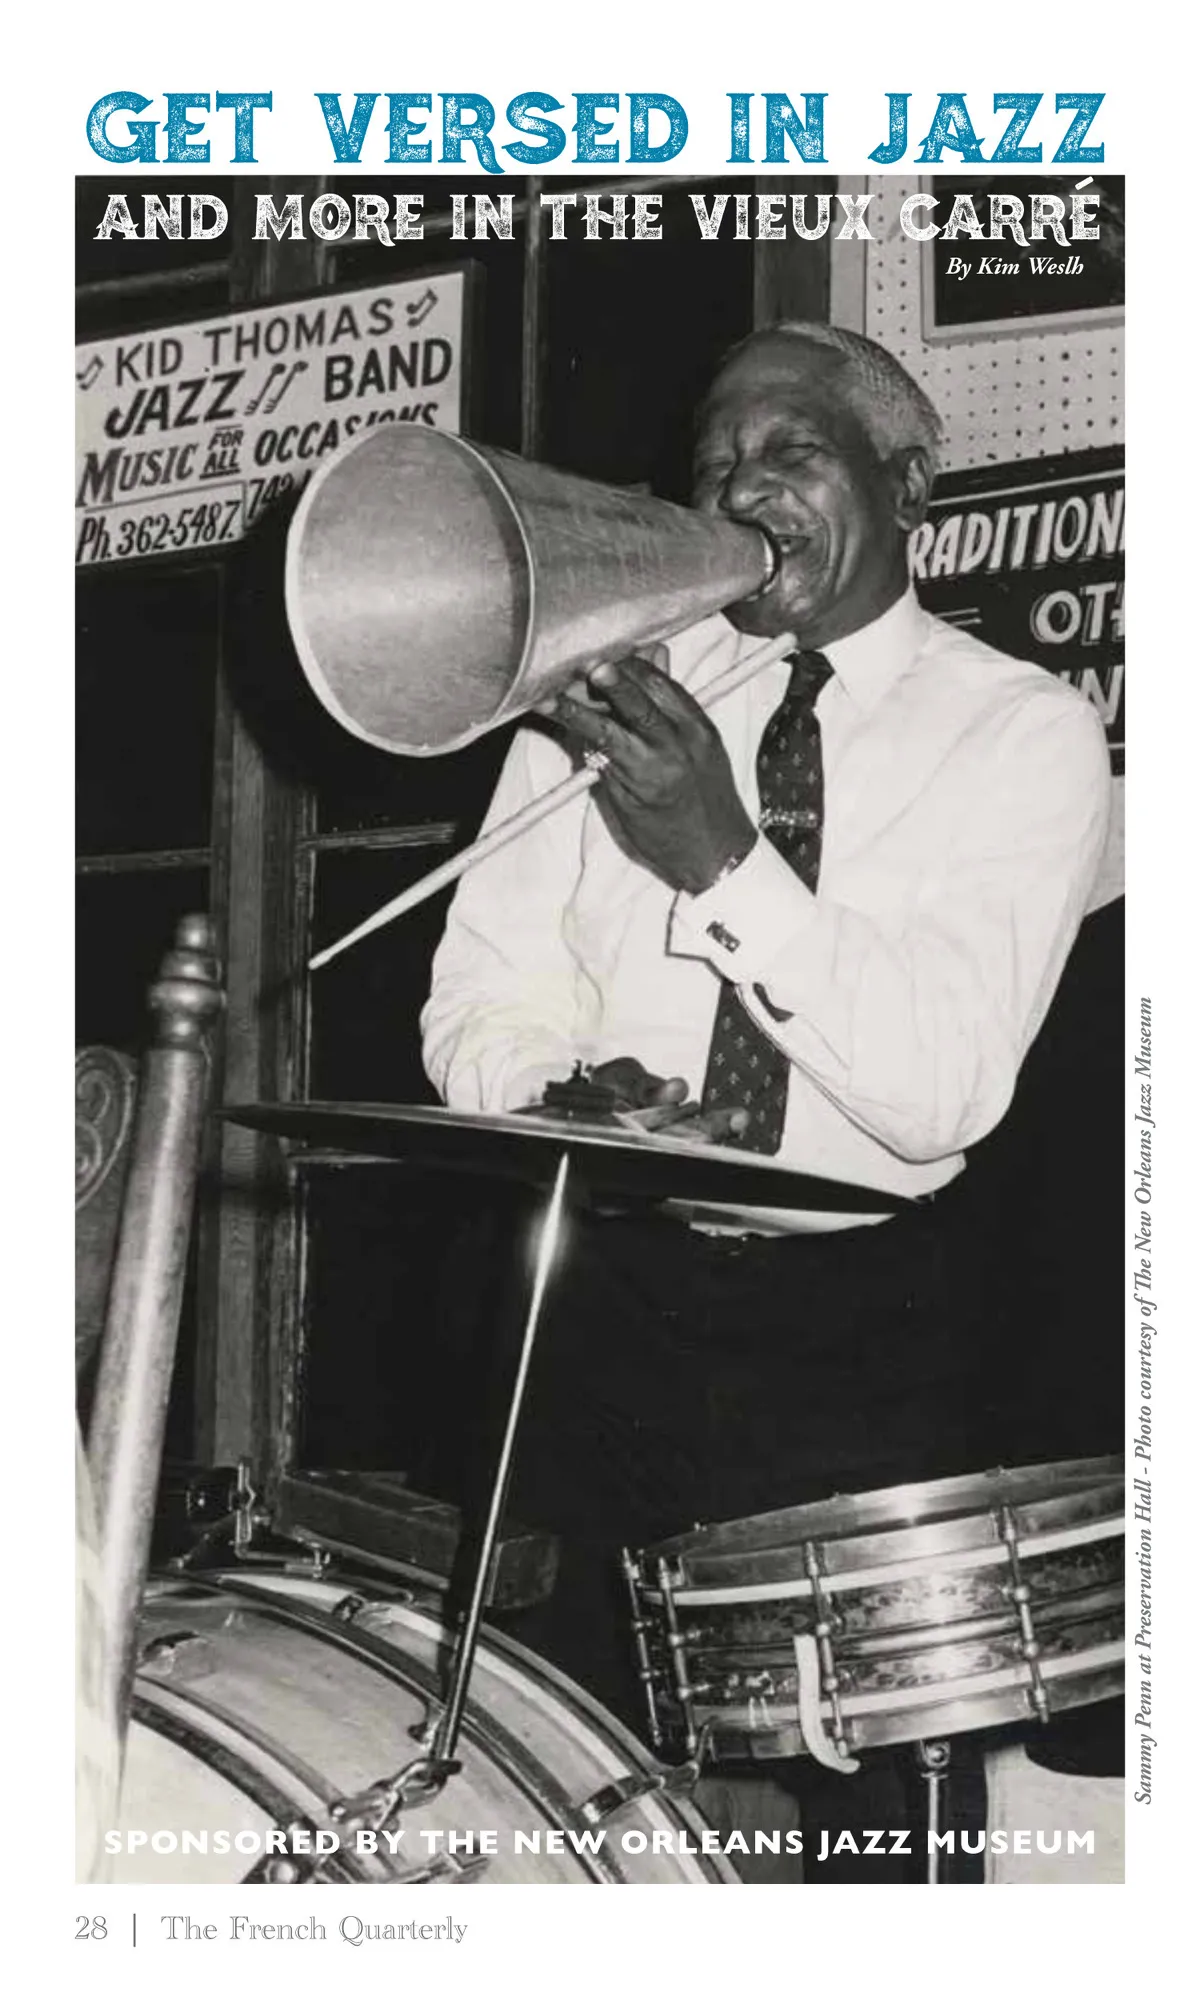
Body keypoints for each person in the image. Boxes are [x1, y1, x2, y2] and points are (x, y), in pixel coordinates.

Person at [420, 321, 1111, 1879]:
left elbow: (940, 1090)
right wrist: (559, 1094)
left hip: (866, 1334)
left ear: (907, 484)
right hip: (591, 1303)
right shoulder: (613, 690)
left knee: (876, 1831)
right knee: (553, 1792)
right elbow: (481, 997)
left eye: (791, 450)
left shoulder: (1025, 731)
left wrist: (721, 857)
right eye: (716, 460)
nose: (740, 489)